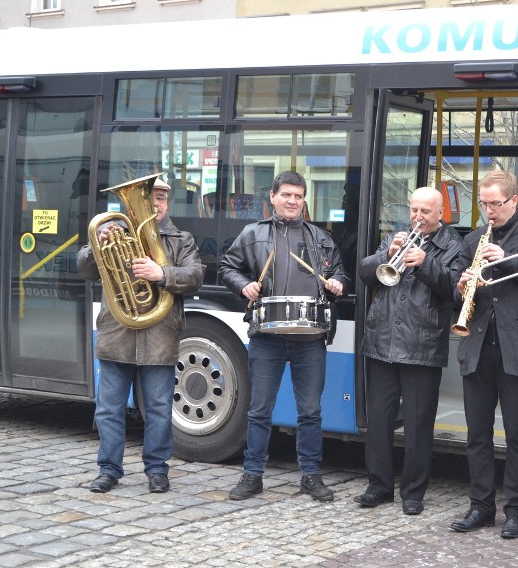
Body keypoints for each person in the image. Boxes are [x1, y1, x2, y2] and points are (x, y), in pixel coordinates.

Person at [219, 170, 349, 502]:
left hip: (310, 335)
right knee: (260, 409)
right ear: (273, 198)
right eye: (286, 195)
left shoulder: (320, 238)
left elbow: (339, 273)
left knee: (310, 410)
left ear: (304, 201)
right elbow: (227, 267)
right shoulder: (253, 234)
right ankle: (252, 475)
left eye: (298, 196)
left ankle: (311, 476)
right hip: (267, 334)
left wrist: (337, 284)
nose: (292, 201)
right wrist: (243, 285)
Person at [450, 171, 518, 539]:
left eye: (495, 204)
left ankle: (516, 511)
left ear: (514, 200)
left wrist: (507, 258)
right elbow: (458, 295)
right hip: (478, 345)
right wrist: (463, 285)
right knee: (477, 434)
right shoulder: (472, 239)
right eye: (483, 204)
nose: (488, 211)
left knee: (517, 434)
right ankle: (481, 506)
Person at [78, 176, 205, 494]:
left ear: (167, 202)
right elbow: (85, 269)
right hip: (116, 333)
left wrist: (162, 273)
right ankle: (108, 469)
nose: (153, 203)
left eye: (160, 197)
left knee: (160, 408)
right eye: (148, 198)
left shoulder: (181, 239)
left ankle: (157, 470)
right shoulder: (114, 231)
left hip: (159, 335)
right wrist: (98, 247)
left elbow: (196, 275)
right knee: (108, 408)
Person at [355, 186, 462, 515]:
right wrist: (386, 255)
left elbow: (455, 291)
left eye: (425, 212)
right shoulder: (394, 238)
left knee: (418, 425)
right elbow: (364, 273)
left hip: (422, 345)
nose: (417, 217)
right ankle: (379, 486)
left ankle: (413, 492)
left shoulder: (452, 244)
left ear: (440, 214)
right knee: (379, 421)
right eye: (414, 210)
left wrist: (426, 263)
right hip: (382, 342)